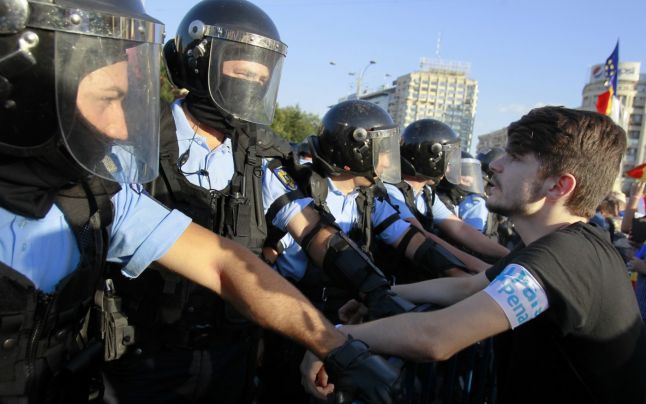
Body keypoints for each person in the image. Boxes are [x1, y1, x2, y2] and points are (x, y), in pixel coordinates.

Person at [0, 1, 401, 403]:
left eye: (261, 80)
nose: (120, 126)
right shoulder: (132, 152)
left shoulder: (105, 198)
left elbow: (238, 257)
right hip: (142, 357)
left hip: (226, 355)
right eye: (242, 74)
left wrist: (350, 328)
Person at [302, 106, 646, 403]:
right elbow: (469, 287)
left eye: (515, 158)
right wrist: (377, 296)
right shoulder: (559, 246)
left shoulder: (566, 256)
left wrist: (331, 338)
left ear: (559, 186)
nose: (495, 165)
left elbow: (437, 338)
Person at [385, 119, 509, 272]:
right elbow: (420, 237)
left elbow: (461, 229)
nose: (449, 167)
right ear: (430, 158)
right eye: (447, 159)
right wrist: (482, 268)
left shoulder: (426, 193)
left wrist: (510, 255)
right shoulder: (391, 191)